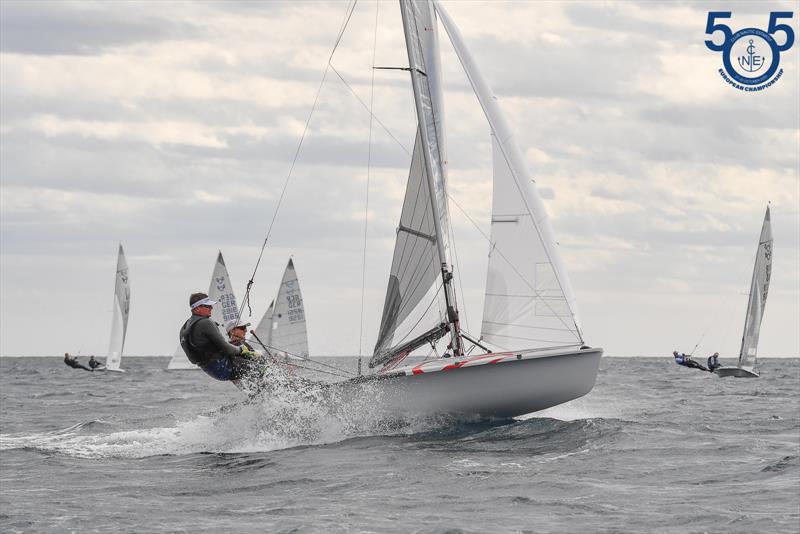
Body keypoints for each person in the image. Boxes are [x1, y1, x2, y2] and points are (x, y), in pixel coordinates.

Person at [179, 292, 260, 383]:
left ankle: (257, 393)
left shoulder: (184, 328)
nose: (211, 308)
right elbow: (228, 349)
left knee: (250, 366)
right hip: (223, 367)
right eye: (208, 306)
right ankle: (273, 392)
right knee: (262, 370)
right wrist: (241, 349)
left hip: (211, 371)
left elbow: (193, 360)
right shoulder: (205, 322)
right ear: (197, 308)